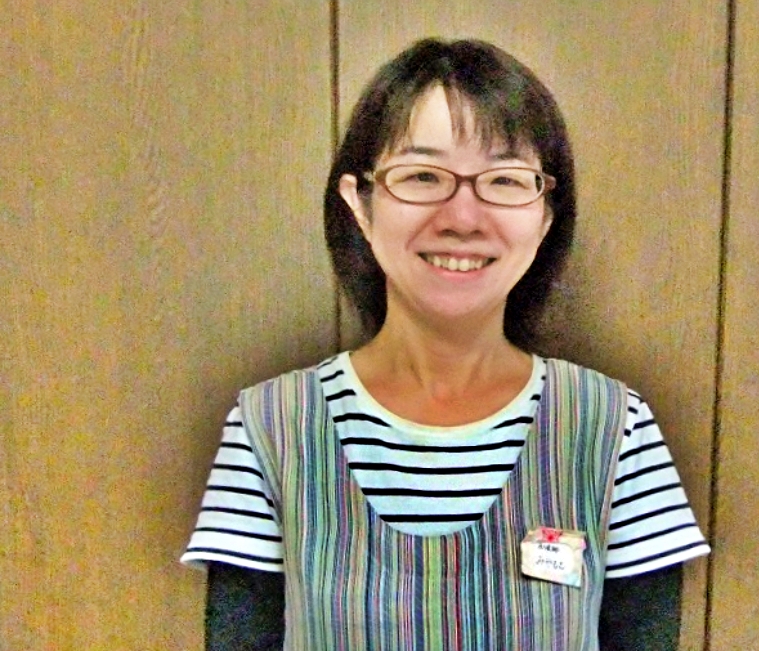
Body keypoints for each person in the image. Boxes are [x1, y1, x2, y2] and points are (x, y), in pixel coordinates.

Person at [182, 38, 709, 651]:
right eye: (423, 176)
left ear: (545, 214)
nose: (463, 217)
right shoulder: (271, 428)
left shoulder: (613, 429)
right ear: (359, 203)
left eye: (505, 180)